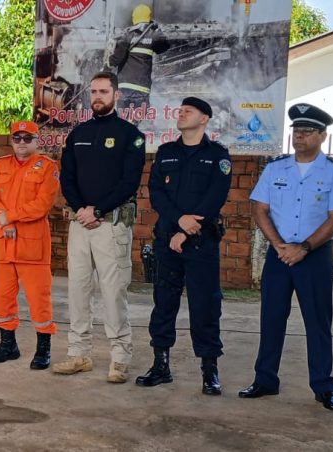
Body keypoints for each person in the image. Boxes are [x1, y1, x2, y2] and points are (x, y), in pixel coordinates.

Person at [239, 103, 333, 411]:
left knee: (317, 323)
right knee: (271, 318)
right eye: (296, 131)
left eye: (307, 131)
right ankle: (265, 380)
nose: (299, 136)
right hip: (279, 255)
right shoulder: (275, 169)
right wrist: (280, 245)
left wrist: (303, 248)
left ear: (322, 136)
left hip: (314, 256)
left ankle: (323, 387)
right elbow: (259, 210)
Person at [54, 71, 146, 383]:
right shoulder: (78, 133)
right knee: (77, 291)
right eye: (93, 92)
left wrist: (98, 209)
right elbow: (67, 177)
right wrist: (82, 209)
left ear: (116, 95)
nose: (97, 97)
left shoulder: (130, 135)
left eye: (104, 91)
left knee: (113, 293)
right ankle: (78, 354)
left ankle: (120, 358)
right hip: (80, 224)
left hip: (111, 225)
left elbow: (129, 182)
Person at [137, 97, 231, 395]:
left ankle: (209, 370)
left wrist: (187, 231)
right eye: (180, 111)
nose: (181, 114)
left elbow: (216, 196)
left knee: (205, 305)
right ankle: (161, 365)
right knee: (164, 303)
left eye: (188, 111)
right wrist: (179, 222)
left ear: (204, 119)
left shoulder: (218, 155)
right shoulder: (166, 153)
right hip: (168, 241)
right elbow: (156, 193)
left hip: (201, 243)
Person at [0, 120, 60, 369]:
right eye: (17, 138)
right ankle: (8, 345)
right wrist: (3, 221)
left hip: (32, 246)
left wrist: (10, 217)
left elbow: (42, 204)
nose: (22, 143)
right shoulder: (0, 165)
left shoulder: (47, 167)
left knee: (39, 299)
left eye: (27, 138)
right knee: (3, 298)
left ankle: (43, 349)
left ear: (37, 141)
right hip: (4, 243)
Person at [108, 3, 169, 112]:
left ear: (134, 18)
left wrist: (107, 65)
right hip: (142, 89)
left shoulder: (127, 35)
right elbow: (164, 46)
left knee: (123, 119)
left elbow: (117, 58)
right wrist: (157, 30)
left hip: (124, 87)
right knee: (140, 119)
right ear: (149, 18)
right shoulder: (153, 35)